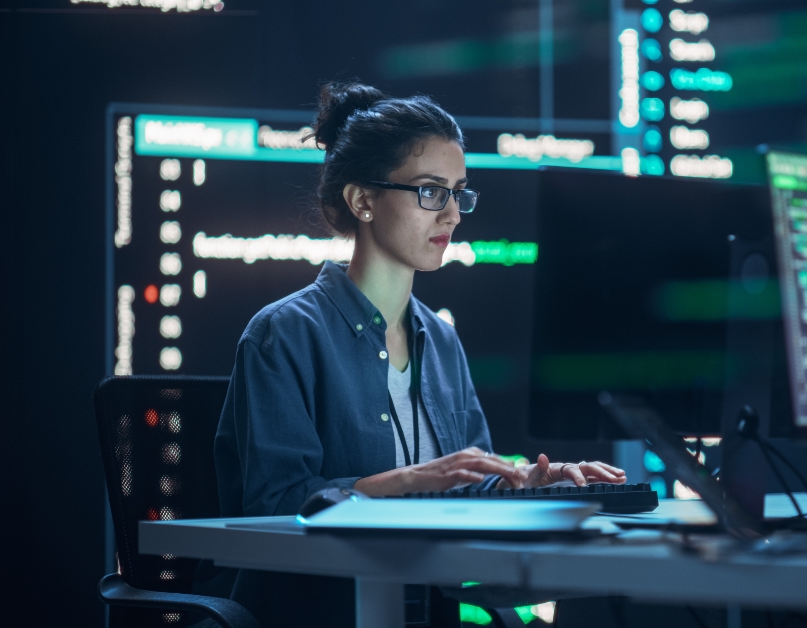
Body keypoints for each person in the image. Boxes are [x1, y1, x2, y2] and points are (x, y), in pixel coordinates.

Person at [209, 82, 626, 626]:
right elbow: (276, 505)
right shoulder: (283, 335)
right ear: (362, 200)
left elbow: (468, 479)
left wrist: (527, 483)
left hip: (426, 606)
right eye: (431, 191)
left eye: (459, 193)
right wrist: (409, 481)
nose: (451, 215)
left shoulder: (442, 339)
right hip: (323, 611)